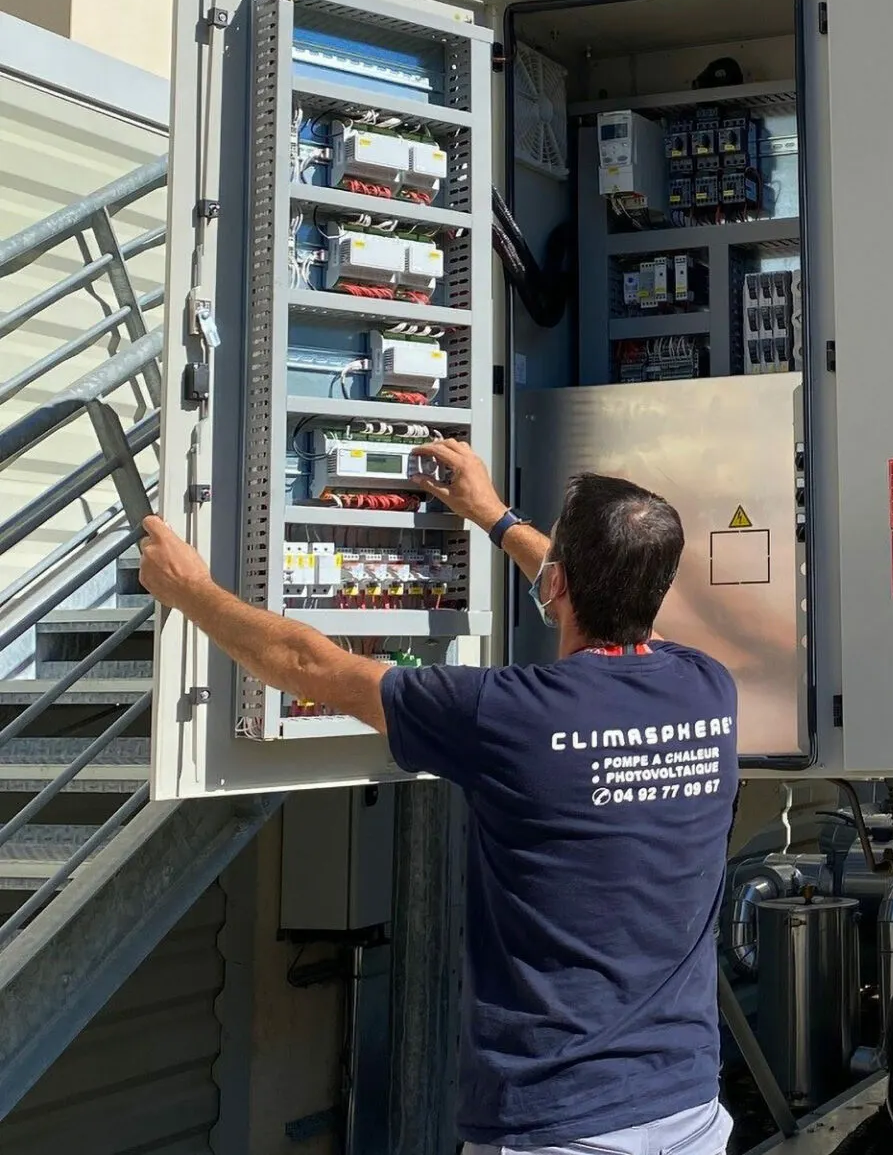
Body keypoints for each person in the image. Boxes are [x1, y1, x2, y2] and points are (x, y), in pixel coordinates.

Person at [137, 438, 740, 1155]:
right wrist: (491, 514)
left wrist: (189, 589)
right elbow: (608, 609)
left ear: (556, 584)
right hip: (689, 1108)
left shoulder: (509, 714)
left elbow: (311, 664)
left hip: (562, 1123)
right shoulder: (706, 686)